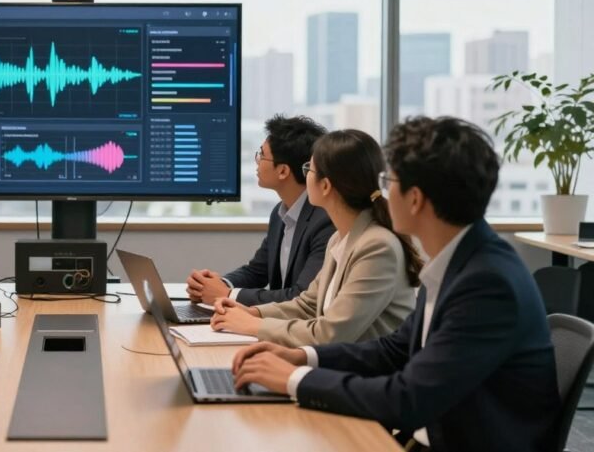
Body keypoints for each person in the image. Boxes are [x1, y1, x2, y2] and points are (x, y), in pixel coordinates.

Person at [231, 117, 560, 452]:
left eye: (390, 181)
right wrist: (301, 356)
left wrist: (293, 380)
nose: (382, 193)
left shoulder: (488, 283)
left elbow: (409, 398)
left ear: (415, 199)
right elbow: (393, 349)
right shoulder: (460, 261)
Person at [210, 129, 420, 346]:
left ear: (326, 185)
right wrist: (252, 313)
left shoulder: (377, 247)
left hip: (370, 375)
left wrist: (253, 325)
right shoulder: (340, 239)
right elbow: (308, 305)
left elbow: (329, 333)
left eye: (308, 168)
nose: (304, 175)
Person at [187, 115, 334, 306]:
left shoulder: (324, 220)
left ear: (283, 171)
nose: (257, 161)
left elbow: (301, 297)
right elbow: (257, 271)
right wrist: (215, 285)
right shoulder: (280, 214)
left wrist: (228, 294)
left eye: (262, 154)